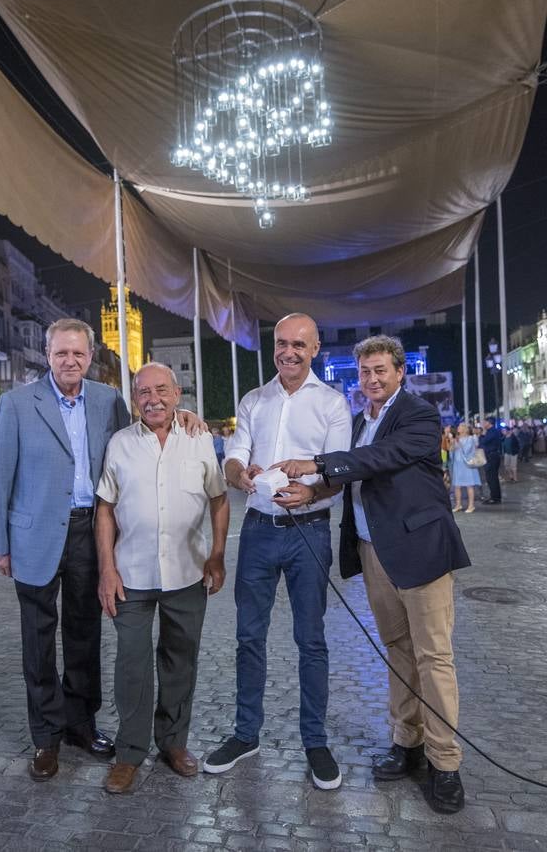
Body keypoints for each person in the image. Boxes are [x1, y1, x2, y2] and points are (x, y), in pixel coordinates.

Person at [0, 317, 203, 783]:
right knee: (39, 640)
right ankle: (45, 736)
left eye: (78, 354)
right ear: (48, 354)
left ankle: (80, 724)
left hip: (91, 531)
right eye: (62, 352)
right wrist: (1, 545)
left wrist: (182, 418)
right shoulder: (17, 403)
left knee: (85, 634)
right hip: (34, 537)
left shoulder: (107, 401)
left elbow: (140, 442)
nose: (70, 361)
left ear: (90, 357)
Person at [273, 334, 470, 814]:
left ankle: (445, 764)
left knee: (433, 657)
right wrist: (312, 491)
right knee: (398, 652)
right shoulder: (360, 420)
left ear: (400, 372)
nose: (372, 379)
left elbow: (382, 459)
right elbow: (349, 474)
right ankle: (408, 742)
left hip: (421, 549)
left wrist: (317, 461)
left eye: (381, 370)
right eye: (364, 372)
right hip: (374, 551)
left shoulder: (419, 415)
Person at [203, 313, 352, 791]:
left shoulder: (332, 404)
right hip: (260, 530)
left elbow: (340, 472)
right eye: (281, 344)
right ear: (273, 347)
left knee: (311, 640)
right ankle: (246, 734)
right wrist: (239, 475)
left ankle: (316, 741)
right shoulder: (254, 400)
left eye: (298, 345)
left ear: (315, 348)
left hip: (309, 531)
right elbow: (233, 455)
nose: (288, 352)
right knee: (249, 636)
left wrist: (311, 493)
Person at [95, 363, 229, 794]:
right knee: (132, 664)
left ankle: (173, 743)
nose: (152, 398)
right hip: (130, 574)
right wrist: (106, 569)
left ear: (176, 394)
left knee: (180, 661)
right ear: (134, 399)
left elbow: (220, 498)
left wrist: (218, 555)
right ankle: (129, 753)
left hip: (188, 571)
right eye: (143, 392)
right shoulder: (119, 444)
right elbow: (105, 509)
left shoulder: (199, 437)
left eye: (160, 390)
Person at [450, 423, 481, 513]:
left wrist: (458, 442)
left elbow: (467, 451)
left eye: (460, 427)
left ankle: (471, 505)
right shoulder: (456, 438)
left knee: (469, 485)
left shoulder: (470, 439)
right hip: (457, 464)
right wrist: (452, 444)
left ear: (465, 429)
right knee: (457, 485)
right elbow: (452, 452)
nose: (458, 428)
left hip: (467, 465)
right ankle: (458, 504)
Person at [479, 416, 502, 504]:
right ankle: (495, 496)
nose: (483, 424)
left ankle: (495, 498)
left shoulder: (493, 432)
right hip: (490, 456)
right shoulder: (490, 431)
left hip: (492, 456)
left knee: (492, 478)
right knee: (491, 478)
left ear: (489, 423)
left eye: (485, 422)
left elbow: (483, 442)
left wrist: (481, 436)